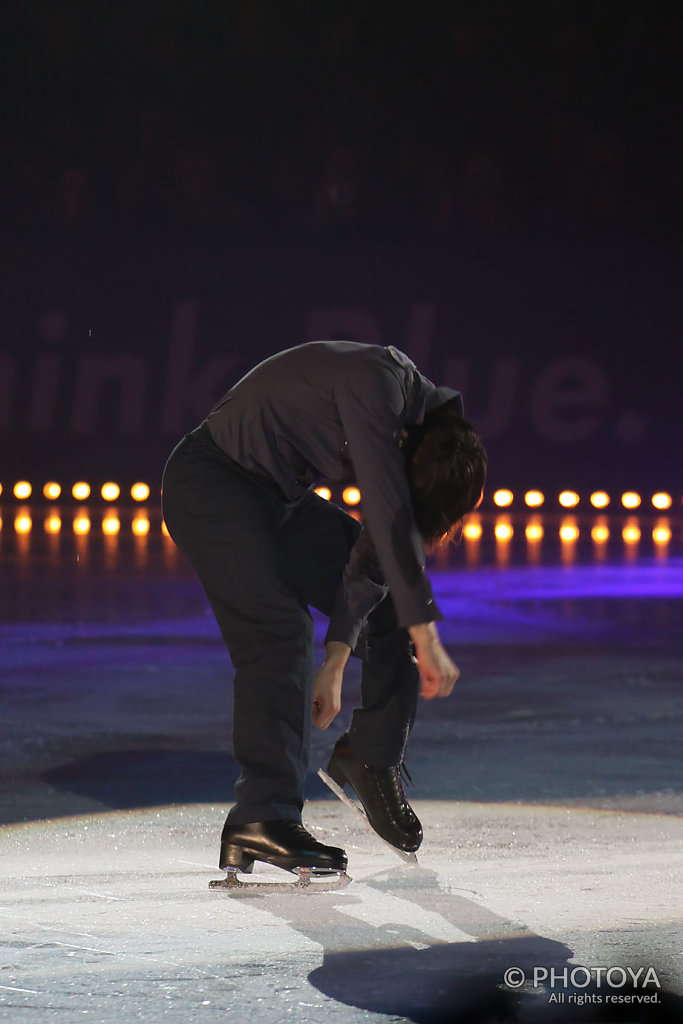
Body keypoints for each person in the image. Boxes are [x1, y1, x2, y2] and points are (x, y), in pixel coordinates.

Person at [161, 341, 486, 877]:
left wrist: (337, 659)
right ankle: (261, 817)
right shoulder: (377, 385)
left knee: (388, 612)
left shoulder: (437, 435)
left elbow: (378, 552)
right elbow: (386, 514)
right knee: (280, 629)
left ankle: (370, 756)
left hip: (278, 497)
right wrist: (427, 637)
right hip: (212, 484)